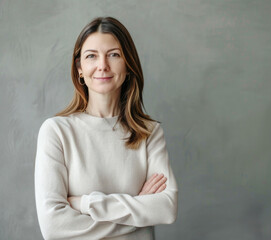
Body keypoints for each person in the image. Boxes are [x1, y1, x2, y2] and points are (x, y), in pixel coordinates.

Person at [34, 17, 178, 240]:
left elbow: (166, 209)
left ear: (128, 65)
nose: (103, 65)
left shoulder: (149, 132)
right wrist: (139, 212)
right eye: (91, 56)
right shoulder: (56, 131)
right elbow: (54, 227)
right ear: (80, 69)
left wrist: (85, 203)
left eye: (114, 54)